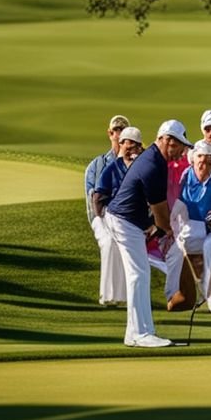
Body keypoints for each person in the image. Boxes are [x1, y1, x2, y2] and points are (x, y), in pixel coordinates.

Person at [103, 120, 192, 348]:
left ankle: (137, 332)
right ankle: (140, 334)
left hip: (128, 221)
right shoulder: (153, 164)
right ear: (168, 141)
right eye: (181, 146)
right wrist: (168, 232)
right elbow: (160, 212)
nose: (182, 152)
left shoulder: (156, 160)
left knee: (140, 274)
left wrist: (160, 229)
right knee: (139, 275)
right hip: (124, 221)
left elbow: (159, 216)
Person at [168, 140, 211, 314]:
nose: (201, 163)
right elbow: (174, 210)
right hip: (184, 230)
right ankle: (176, 295)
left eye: (206, 160)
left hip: (208, 231)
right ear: (193, 159)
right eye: (199, 157)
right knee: (174, 251)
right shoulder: (184, 179)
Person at [86, 114, 130, 306]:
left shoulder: (133, 162)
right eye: (116, 131)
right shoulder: (97, 165)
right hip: (101, 216)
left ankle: (121, 296)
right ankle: (107, 296)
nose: (119, 135)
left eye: (123, 131)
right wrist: (100, 220)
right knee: (108, 243)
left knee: (123, 245)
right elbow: (92, 199)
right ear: (110, 133)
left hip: (124, 217)